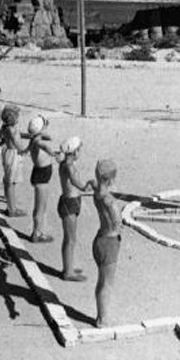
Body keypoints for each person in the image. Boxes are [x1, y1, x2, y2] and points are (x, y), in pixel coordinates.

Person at [88, 159, 121, 328]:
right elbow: (117, 223)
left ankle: (101, 315)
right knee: (107, 283)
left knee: (101, 281)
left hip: (99, 238)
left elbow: (94, 184)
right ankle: (102, 318)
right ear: (111, 179)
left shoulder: (97, 192)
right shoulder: (110, 201)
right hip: (109, 242)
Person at [58, 137, 92, 282]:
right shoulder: (69, 166)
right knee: (70, 239)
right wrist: (86, 187)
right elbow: (74, 181)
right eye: (79, 150)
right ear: (74, 151)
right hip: (69, 203)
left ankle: (69, 266)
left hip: (71, 201)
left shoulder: (66, 163)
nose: (80, 152)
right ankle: (68, 272)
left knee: (71, 238)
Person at [28, 115, 59, 243]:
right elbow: (43, 146)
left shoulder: (34, 138)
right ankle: (37, 233)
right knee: (40, 207)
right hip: (41, 176)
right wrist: (53, 153)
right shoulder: (37, 141)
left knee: (42, 205)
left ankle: (38, 231)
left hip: (40, 174)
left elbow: (40, 139)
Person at [0, 105, 28, 217]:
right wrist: (25, 150)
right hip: (13, 154)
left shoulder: (4, 127)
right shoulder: (12, 130)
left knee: (8, 179)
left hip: (7, 152)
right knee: (11, 182)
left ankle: (10, 203)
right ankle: (12, 209)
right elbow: (17, 143)